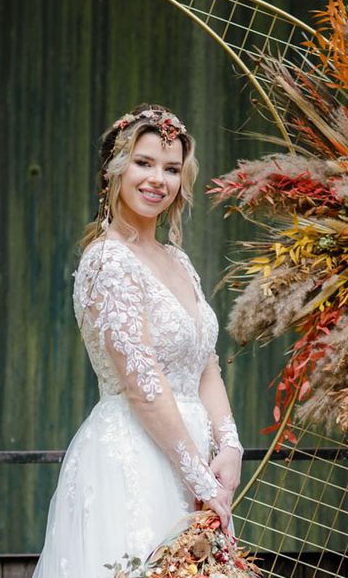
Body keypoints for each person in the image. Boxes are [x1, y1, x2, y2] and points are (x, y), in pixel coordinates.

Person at [33, 104, 243, 578]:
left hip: (193, 463)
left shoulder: (177, 260)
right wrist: (200, 480)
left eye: (171, 169)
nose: (158, 180)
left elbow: (204, 363)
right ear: (115, 171)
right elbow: (143, 385)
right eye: (144, 163)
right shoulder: (108, 261)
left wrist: (229, 446)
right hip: (133, 463)